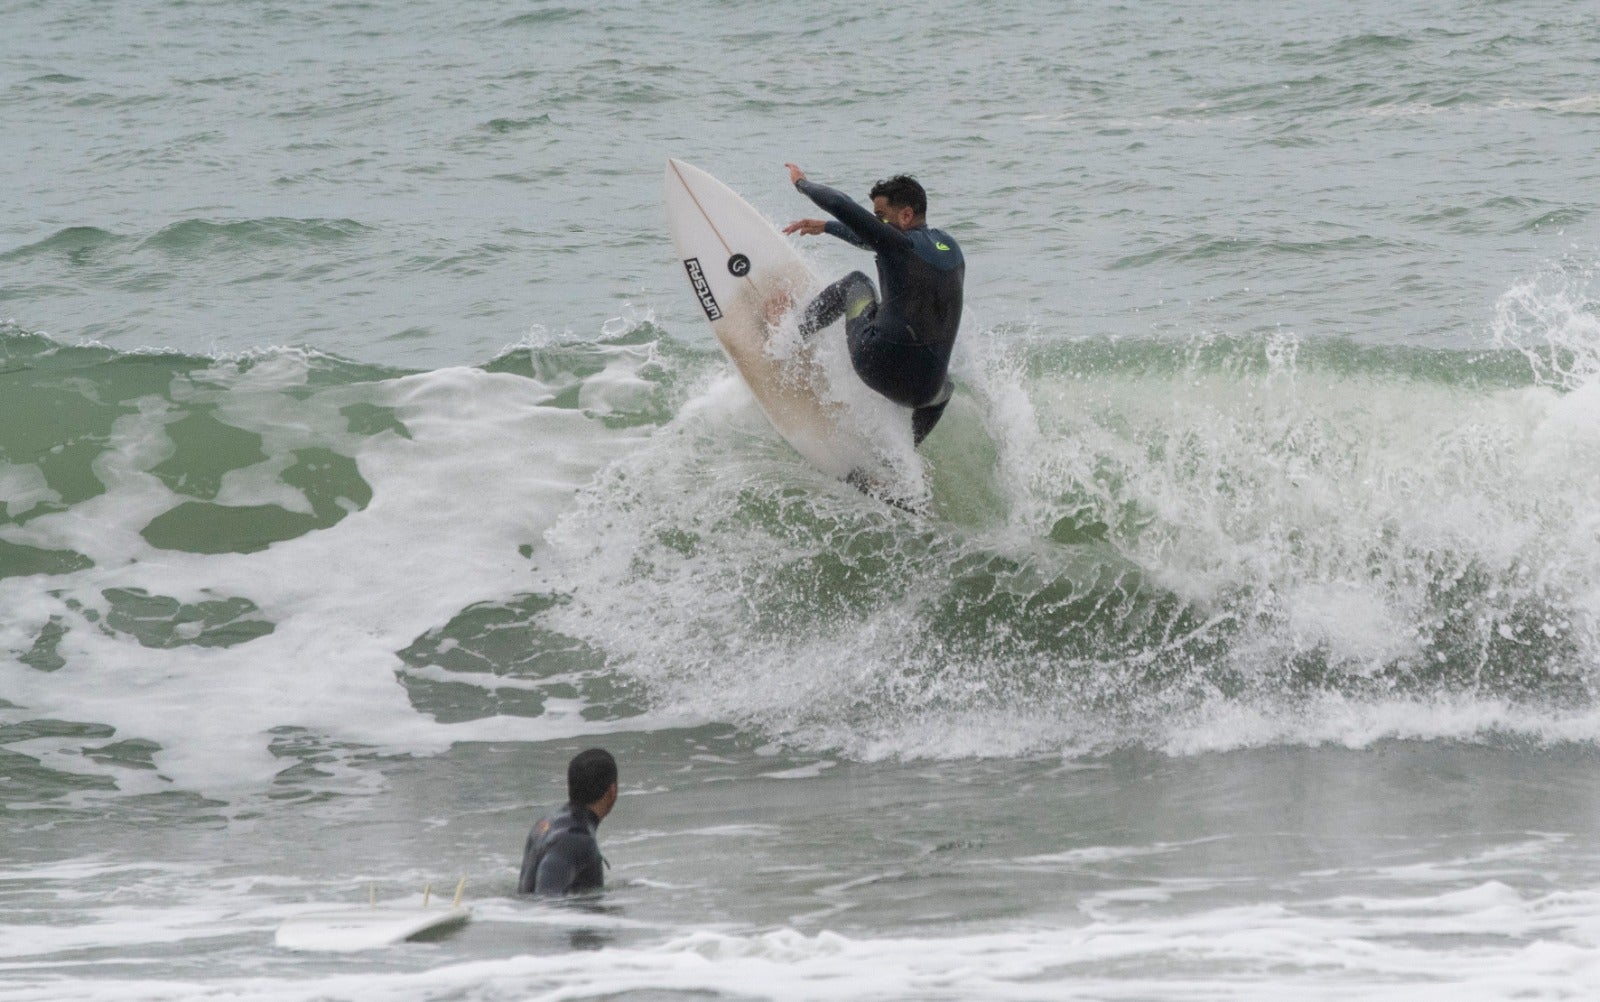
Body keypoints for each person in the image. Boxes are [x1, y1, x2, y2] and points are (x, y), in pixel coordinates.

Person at [783, 164, 965, 445]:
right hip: (924, 390)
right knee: (946, 389)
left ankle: (789, 339)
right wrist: (828, 228)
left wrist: (801, 184)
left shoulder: (898, 245)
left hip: (876, 363)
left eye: (881, 217)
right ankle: (905, 456)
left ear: (906, 215)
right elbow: (876, 241)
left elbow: (838, 203)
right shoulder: (949, 247)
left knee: (855, 283)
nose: (876, 223)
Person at [517, 748, 618, 896]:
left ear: (570, 786)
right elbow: (546, 899)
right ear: (612, 791)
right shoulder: (576, 839)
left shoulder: (545, 824)